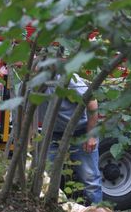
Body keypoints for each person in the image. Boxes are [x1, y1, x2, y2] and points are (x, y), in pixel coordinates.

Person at [41, 73, 101, 204]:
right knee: (45, 176)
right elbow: (27, 112)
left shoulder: (66, 78)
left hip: (80, 131)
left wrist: (90, 136)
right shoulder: (28, 83)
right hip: (53, 134)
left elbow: (92, 102)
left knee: (90, 180)